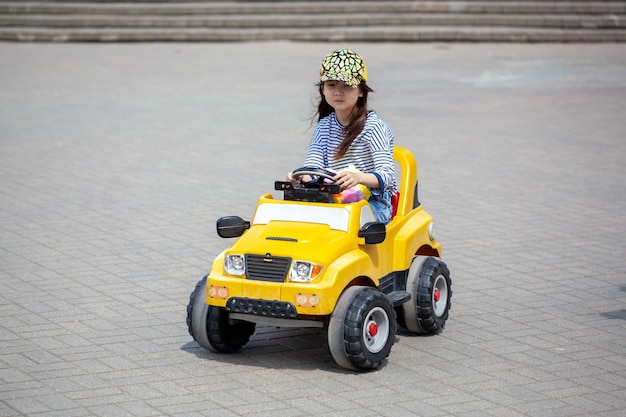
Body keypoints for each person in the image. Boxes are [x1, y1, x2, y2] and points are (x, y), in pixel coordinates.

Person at [288, 49, 398, 224]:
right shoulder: (324, 126)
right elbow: (314, 165)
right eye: (331, 85)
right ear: (322, 90)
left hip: (373, 203)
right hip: (333, 199)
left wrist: (358, 178)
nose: (338, 92)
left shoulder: (374, 127)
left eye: (346, 85)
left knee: (338, 221)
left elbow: (387, 176)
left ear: (361, 91)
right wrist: (301, 177)